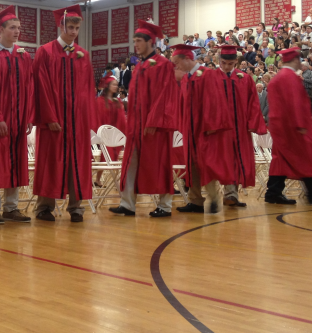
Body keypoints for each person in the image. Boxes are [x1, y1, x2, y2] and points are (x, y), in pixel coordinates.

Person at [32, 5, 96, 222]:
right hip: (54, 119)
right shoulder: (45, 51)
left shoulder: (82, 55)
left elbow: (88, 89)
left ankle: (76, 207)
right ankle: (44, 207)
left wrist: (85, 117)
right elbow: (40, 86)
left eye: (77, 28)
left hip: (76, 121)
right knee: (50, 161)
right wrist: (49, 117)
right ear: (61, 26)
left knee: (76, 162)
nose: (74, 32)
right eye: (70, 27)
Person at [109, 21, 179, 218]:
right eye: (134, 41)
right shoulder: (140, 66)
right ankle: (127, 204)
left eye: (139, 41)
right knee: (130, 163)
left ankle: (165, 205)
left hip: (155, 125)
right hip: (136, 125)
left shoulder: (163, 65)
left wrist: (154, 121)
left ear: (151, 41)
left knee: (160, 163)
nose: (136, 45)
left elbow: (165, 96)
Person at [0, 5, 34, 224]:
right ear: (0, 30)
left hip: (18, 119)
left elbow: (30, 86)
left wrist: (29, 115)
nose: (16, 31)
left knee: (15, 163)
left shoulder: (23, 55)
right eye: (12, 27)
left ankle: (11, 207)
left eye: (18, 28)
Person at [169, 45, 234, 214]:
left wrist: (211, 127)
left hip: (206, 130)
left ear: (187, 59)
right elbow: (182, 105)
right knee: (191, 165)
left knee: (206, 164)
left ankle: (213, 197)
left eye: (177, 62)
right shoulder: (186, 79)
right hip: (190, 130)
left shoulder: (207, 75)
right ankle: (195, 200)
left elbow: (216, 101)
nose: (177, 66)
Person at [264, 48, 312, 205]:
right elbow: (295, 103)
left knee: (281, 159)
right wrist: (301, 125)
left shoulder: (277, 78)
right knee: (307, 156)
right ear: (294, 60)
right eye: (299, 60)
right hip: (292, 127)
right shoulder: (290, 78)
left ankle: (273, 193)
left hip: (279, 126)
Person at [218, 45, 267, 208]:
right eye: (224, 63)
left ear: (236, 63)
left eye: (230, 64)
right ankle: (210, 194)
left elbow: (253, 103)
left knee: (236, 160)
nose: (226, 67)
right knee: (221, 160)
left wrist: (252, 123)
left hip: (240, 128)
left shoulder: (244, 78)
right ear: (219, 61)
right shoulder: (212, 78)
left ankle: (231, 194)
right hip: (219, 129)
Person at [95, 75, 126, 160]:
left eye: (116, 85)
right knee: (105, 157)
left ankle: (112, 173)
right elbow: (98, 117)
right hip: (105, 134)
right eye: (113, 84)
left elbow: (121, 120)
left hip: (115, 134)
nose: (116, 87)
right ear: (108, 86)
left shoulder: (117, 101)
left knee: (114, 156)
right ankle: (99, 174)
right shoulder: (100, 101)